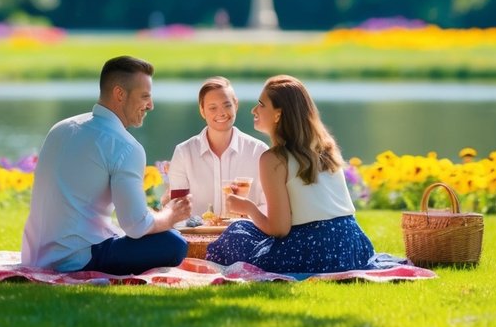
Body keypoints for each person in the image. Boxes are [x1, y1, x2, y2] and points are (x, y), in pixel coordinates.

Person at [21, 55, 191, 273]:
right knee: (174, 244)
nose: (151, 105)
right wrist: (171, 215)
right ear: (119, 94)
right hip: (78, 260)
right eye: (145, 97)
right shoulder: (126, 146)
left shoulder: (62, 128)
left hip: (36, 257)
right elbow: (136, 226)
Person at [206, 74, 374, 273]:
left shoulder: (273, 159)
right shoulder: (326, 147)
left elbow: (279, 229)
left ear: (278, 114)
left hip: (315, 250)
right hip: (353, 246)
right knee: (247, 232)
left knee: (236, 233)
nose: (254, 110)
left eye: (261, 104)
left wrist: (248, 207)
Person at [165, 76, 268, 217]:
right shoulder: (184, 152)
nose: (221, 113)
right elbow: (178, 209)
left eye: (227, 105)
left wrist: (248, 217)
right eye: (212, 108)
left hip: (247, 234)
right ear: (202, 111)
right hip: (195, 235)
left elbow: (268, 205)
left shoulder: (259, 151)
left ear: (236, 105)